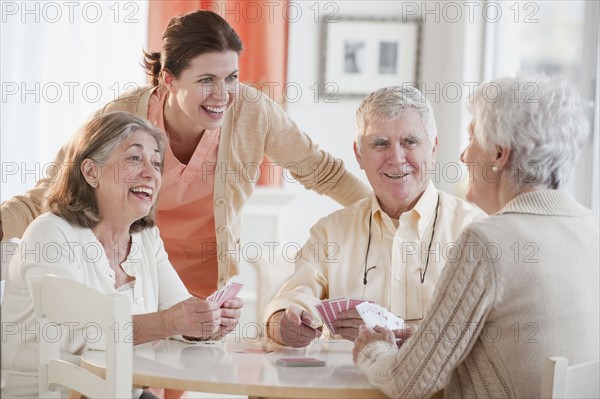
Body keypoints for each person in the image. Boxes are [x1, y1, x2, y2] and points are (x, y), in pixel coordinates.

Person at [0, 10, 370, 298]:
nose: (222, 94)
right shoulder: (123, 117)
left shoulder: (252, 113)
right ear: (169, 80)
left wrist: (386, 213)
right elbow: (52, 193)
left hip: (205, 278)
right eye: (206, 80)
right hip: (131, 271)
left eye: (231, 78)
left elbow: (322, 171)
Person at [352, 74, 600, 398]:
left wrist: (371, 350)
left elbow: (407, 381)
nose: (464, 156)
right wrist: (429, 340)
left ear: (499, 154)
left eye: (472, 138)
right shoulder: (590, 227)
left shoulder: (486, 242)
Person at [1, 112, 242, 398]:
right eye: (134, 158)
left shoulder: (145, 238)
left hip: (118, 391)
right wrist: (171, 321)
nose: (151, 174)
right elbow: (84, 335)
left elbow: (177, 309)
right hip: (51, 392)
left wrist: (206, 322)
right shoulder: (50, 233)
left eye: (156, 162)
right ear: (91, 172)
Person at [264, 86, 485, 347]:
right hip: (344, 387)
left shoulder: (476, 229)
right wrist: (284, 325)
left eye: (410, 142)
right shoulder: (329, 232)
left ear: (433, 148)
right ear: (359, 154)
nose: (396, 157)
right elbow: (289, 302)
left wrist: (389, 331)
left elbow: (484, 337)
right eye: (380, 144)